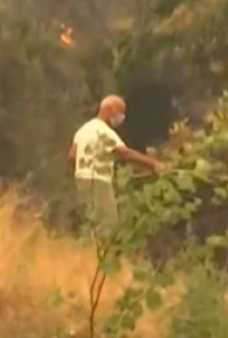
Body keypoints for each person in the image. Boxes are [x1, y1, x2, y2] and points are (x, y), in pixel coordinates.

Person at [69, 94, 164, 237]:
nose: (121, 117)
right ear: (111, 109)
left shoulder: (84, 129)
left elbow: (71, 156)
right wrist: (154, 164)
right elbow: (127, 154)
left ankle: (85, 253)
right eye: (121, 112)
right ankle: (104, 255)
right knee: (109, 224)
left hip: (81, 180)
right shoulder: (105, 132)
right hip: (99, 181)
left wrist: (83, 169)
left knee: (90, 221)